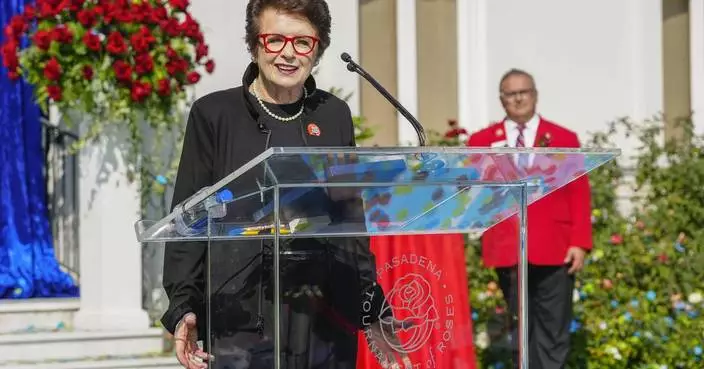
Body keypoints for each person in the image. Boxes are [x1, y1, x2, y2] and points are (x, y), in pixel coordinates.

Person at [161, 1, 404, 368]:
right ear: (254, 44)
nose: (288, 53)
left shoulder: (333, 114)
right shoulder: (215, 115)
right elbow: (187, 219)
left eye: (303, 42)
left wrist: (371, 307)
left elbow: (351, 223)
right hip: (240, 316)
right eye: (275, 40)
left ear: (317, 48)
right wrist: (183, 307)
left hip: (324, 321)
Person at [466, 68, 593, 369]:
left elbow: (578, 191)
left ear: (535, 95)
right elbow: (473, 192)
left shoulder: (563, 137)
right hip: (508, 248)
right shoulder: (482, 141)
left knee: (553, 329)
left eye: (524, 92)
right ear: (501, 99)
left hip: (556, 247)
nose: (518, 98)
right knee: (519, 329)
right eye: (511, 93)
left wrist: (580, 241)